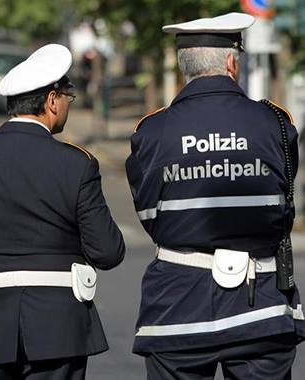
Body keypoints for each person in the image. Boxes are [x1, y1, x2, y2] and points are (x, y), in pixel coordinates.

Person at [0, 43, 125, 380]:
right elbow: (107, 253)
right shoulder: (76, 163)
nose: (67, 106)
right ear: (51, 101)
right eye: (67, 98)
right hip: (61, 333)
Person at [125, 12, 305, 380]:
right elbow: (283, 206)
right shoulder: (275, 122)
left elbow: (149, 216)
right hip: (262, 309)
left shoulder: (152, 131)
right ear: (231, 62)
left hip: (177, 308)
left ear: (183, 66)